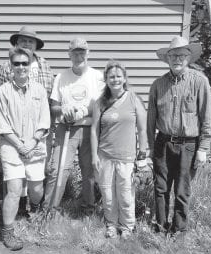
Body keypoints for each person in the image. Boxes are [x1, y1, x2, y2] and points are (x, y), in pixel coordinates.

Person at [147, 36, 211, 236]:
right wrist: (150, 148)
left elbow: (207, 117)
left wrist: (203, 148)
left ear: (189, 57)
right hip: (163, 143)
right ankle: (160, 227)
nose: (177, 59)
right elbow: (151, 120)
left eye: (182, 55)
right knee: (161, 188)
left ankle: (179, 230)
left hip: (189, 146)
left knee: (182, 191)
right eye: (173, 55)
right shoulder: (158, 85)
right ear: (167, 59)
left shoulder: (200, 81)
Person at [0, 47, 50, 250]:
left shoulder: (39, 90)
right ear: (11, 66)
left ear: (30, 66)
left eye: (24, 63)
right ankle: (8, 232)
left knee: (36, 190)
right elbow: (1, 123)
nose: (20, 67)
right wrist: (19, 145)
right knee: (14, 190)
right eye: (16, 63)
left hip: (35, 146)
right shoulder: (3, 92)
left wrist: (32, 143)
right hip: (11, 147)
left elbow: (45, 121)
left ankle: (33, 209)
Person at [43, 37, 105, 212]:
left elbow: (103, 105)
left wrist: (86, 111)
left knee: (89, 170)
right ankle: (49, 209)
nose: (79, 56)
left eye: (82, 52)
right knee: (58, 169)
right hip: (66, 129)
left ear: (88, 53)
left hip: (89, 130)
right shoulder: (62, 77)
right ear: (69, 54)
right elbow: (53, 106)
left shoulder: (97, 77)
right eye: (75, 52)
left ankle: (89, 207)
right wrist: (63, 109)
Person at [0, 26, 54, 215]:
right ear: (17, 43)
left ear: (35, 45)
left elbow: (50, 94)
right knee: (15, 178)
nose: (27, 44)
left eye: (31, 41)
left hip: (38, 127)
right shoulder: (7, 65)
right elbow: (2, 95)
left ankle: (34, 203)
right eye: (23, 41)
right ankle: (19, 207)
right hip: (13, 127)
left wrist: (36, 137)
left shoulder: (44, 64)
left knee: (36, 176)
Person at [90, 60, 147, 239]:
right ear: (106, 79)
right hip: (105, 156)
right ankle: (111, 225)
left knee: (126, 194)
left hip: (127, 157)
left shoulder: (133, 98)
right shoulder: (101, 102)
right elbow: (93, 130)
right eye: (111, 76)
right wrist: (94, 155)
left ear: (124, 78)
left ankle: (127, 227)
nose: (115, 79)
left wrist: (142, 155)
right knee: (107, 194)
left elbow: (143, 129)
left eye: (118, 76)